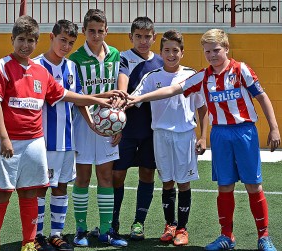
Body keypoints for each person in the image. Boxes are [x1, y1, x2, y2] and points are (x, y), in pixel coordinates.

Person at [128, 28, 281, 251]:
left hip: (244, 132)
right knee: (224, 186)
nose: (212, 55)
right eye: (207, 51)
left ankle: (264, 237)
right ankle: (226, 236)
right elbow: (172, 90)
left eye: (216, 50)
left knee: (253, 185)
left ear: (226, 48)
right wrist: (139, 98)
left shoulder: (241, 69)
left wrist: (274, 128)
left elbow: (262, 97)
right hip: (220, 135)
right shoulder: (203, 76)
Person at [0, 15, 121, 251]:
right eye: (21, 39)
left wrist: (99, 99)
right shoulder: (16, 65)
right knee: (16, 193)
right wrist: (4, 137)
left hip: (55, 142)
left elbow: (69, 96)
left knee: (49, 189)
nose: (25, 45)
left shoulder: (60, 68)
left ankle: (47, 236)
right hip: (30, 142)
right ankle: (13, 240)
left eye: (70, 42)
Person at [132, 30, 208, 246]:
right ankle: (170, 225)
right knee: (167, 182)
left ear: (182, 53)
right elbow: (135, 99)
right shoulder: (152, 77)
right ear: (161, 52)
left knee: (183, 183)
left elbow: (203, 109)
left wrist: (202, 137)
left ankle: (183, 229)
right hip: (161, 135)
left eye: (176, 50)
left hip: (184, 136)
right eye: (167, 50)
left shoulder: (191, 76)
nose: (171, 54)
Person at [69, 9, 128, 247]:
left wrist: (117, 121)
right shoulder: (74, 59)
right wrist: (91, 121)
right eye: (91, 31)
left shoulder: (115, 55)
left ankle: (106, 231)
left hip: (107, 126)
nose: (96, 35)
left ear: (106, 31)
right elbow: (77, 97)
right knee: (82, 178)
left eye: (100, 31)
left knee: (105, 176)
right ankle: (80, 230)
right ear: (83, 31)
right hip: (84, 125)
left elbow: (119, 94)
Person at [32, 20, 86, 251]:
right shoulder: (35, 66)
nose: (66, 46)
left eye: (71, 43)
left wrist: (94, 125)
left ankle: (56, 234)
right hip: (42, 141)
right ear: (51, 37)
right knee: (39, 188)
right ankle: (36, 236)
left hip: (66, 141)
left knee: (61, 186)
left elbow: (79, 100)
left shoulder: (72, 67)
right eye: (62, 40)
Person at [112, 16, 164, 240]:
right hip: (126, 128)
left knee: (147, 173)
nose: (143, 41)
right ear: (130, 37)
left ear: (154, 37)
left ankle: (138, 223)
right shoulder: (123, 58)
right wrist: (119, 115)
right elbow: (122, 83)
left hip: (151, 130)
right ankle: (112, 222)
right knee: (117, 174)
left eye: (147, 37)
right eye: (138, 36)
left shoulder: (162, 62)